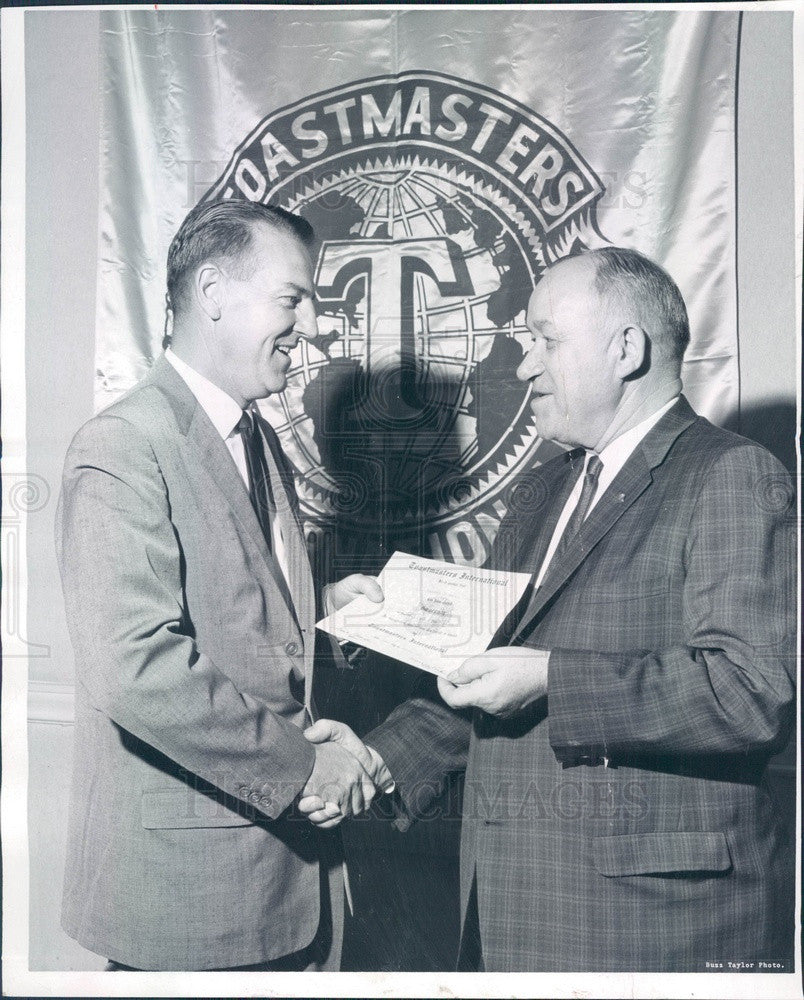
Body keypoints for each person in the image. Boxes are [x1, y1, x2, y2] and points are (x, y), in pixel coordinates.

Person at [306, 247, 796, 971]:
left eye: (546, 341)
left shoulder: (732, 473)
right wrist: (375, 760)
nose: (525, 367)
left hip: (650, 929)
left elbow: (752, 692)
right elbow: (480, 679)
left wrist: (553, 681)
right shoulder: (542, 491)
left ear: (626, 348)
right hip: (514, 910)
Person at [55, 199, 385, 971]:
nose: (309, 325)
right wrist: (308, 765)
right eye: (291, 299)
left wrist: (325, 605)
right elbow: (135, 669)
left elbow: (237, 604)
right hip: (190, 900)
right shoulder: (122, 447)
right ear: (212, 294)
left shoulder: (256, 433)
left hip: (286, 884)